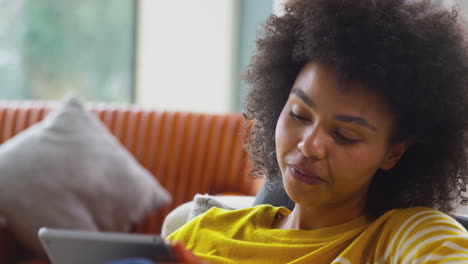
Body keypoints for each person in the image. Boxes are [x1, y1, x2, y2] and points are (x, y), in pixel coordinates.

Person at [111, 0, 468, 263]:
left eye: (345, 135)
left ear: (394, 152)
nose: (309, 145)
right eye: (299, 114)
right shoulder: (205, 231)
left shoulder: (404, 235)